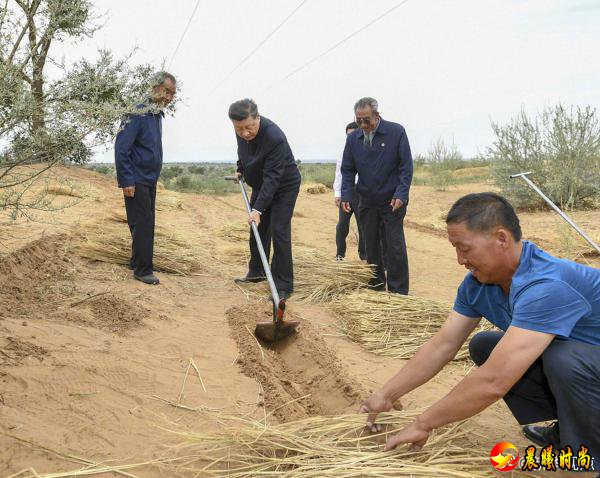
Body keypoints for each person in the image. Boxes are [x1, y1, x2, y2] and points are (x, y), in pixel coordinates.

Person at [360, 192, 600, 463]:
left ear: (501, 239)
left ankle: (588, 453)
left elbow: (494, 381)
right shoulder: (477, 283)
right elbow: (443, 344)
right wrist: (386, 394)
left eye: (464, 248)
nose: (460, 260)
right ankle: (570, 426)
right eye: (455, 249)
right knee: (486, 345)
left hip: (587, 364)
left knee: (562, 359)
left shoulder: (547, 286)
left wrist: (422, 423)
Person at [229, 99, 301, 300]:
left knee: (279, 230)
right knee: (257, 229)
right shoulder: (241, 130)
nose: (244, 133)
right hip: (263, 185)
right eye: (239, 129)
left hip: (283, 186)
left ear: (257, 118)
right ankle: (257, 271)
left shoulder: (274, 137)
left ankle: (284, 285)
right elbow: (243, 152)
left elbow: (273, 178)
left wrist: (258, 210)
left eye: (249, 127)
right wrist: (240, 168)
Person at [341, 97, 413, 294]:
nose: (363, 124)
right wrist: (346, 194)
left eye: (367, 120)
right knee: (370, 245)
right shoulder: (353, 139)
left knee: (394, 245)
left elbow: (406, 167)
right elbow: (347, 170)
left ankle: (398, 292)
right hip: (366, 200)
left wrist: (401, 193)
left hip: (392, 201)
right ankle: (376, 286)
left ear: (377, 115)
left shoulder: (396, 132)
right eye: (359, 120)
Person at [114, 71, 177, 285]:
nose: (169, 97)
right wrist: (126, 180)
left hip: (149, 179)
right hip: (137, 178)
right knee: (143, 223)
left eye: (172, 94)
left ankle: (137, 261)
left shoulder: (156, 114)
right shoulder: (137, 111)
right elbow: (121, 147)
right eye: (166, 91)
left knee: (144, 223)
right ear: (155, 87)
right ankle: (143, 270)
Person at [333, 121, 365, 261]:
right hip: (347, 192)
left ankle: (364, 256)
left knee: (363, 226)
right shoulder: (343, 152)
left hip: (362, 193)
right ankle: (340, 254)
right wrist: (337, 194)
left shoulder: (367, 149)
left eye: (352, 135)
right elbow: (339, 173)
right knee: (342, 225)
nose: (350, 138)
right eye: (347, 136)